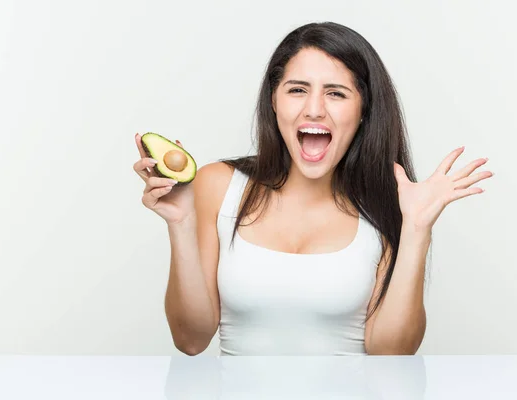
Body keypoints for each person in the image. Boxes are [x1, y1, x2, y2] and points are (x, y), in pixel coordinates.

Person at [132, 21, 493, 356]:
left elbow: (392, 354)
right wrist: (180, 222)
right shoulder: (218, 185)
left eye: (336, 93)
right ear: (274, 100)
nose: (315, 109)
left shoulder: (390, 202)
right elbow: (191, 340)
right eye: (297, 90)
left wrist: (416, 229)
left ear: (363, 110)